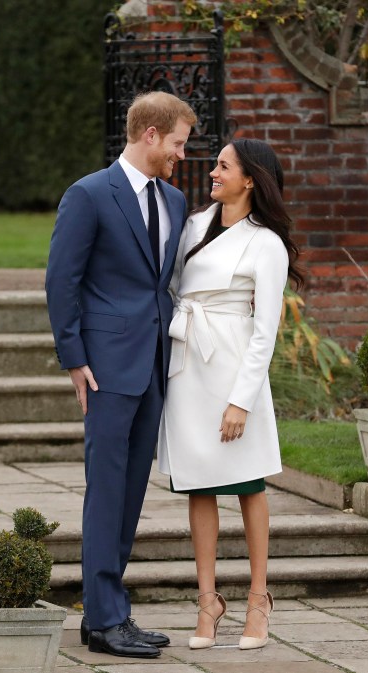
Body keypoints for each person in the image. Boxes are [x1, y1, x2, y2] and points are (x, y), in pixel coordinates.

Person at [45, 91, 197, 659]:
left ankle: (107, 613)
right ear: (151, 134)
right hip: (105, 368)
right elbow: (62, 280)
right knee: (106, 488)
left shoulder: (176, 201)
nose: (182, 154)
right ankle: (106, 618)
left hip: (155, 363)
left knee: (132, 489)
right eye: (179, 143)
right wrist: (74, 357)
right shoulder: (88, 195)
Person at [157, 138, 304, 650]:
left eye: (223, 166)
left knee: (247, 484)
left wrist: (241, 399)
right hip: (189, 364)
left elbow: (266, 330)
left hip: (234, 364)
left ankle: (259, 600)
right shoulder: (194, 224)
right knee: (198, 484)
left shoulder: (266, 243)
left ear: (250, 179)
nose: (213, 172)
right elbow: (172, 287)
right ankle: (207, 601)